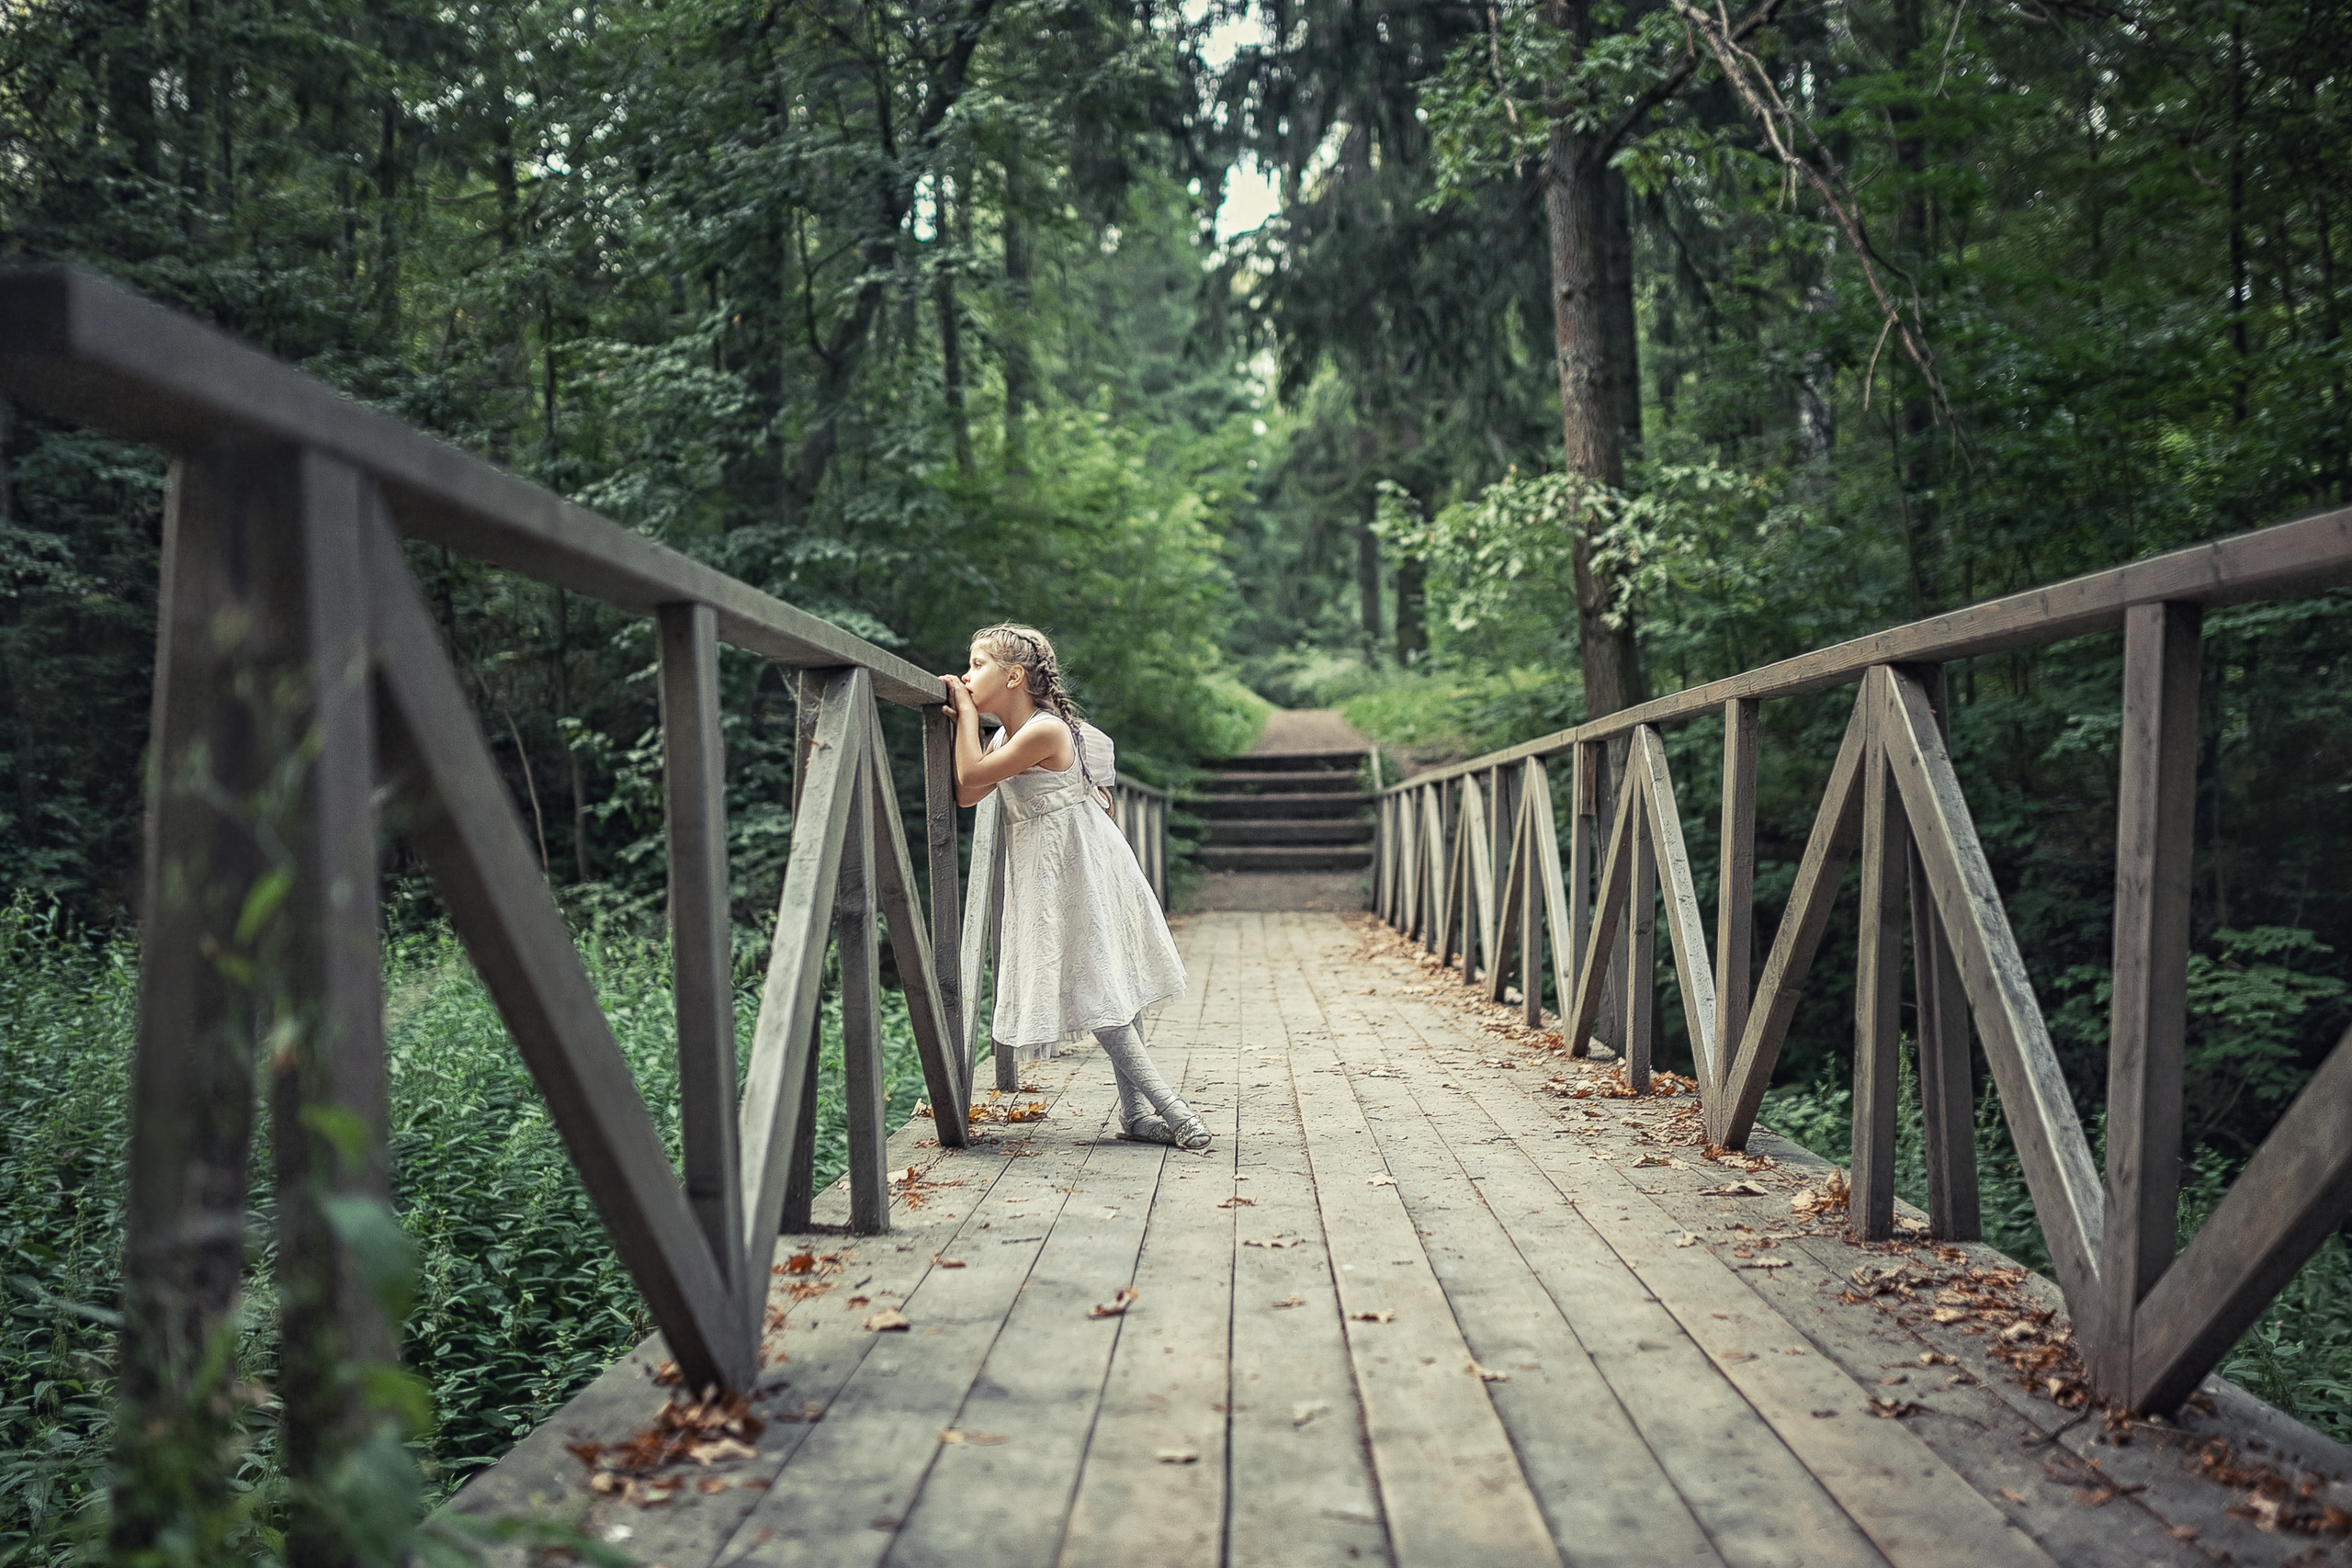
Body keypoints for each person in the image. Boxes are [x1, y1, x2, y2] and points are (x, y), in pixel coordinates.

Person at [942, 624, 1209, 1151]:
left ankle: (1169, 1108)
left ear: (1014, 676)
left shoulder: (1047, 730)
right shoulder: (1006, 738)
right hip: (1045, 870)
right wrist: (973, 728)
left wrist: (968, 717)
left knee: (1098, 982)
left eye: (977, 665)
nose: (967, 677)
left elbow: (971, 777)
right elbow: (967, 792)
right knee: (1100, 979)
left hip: (1079, 864)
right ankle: (1135, 1116)